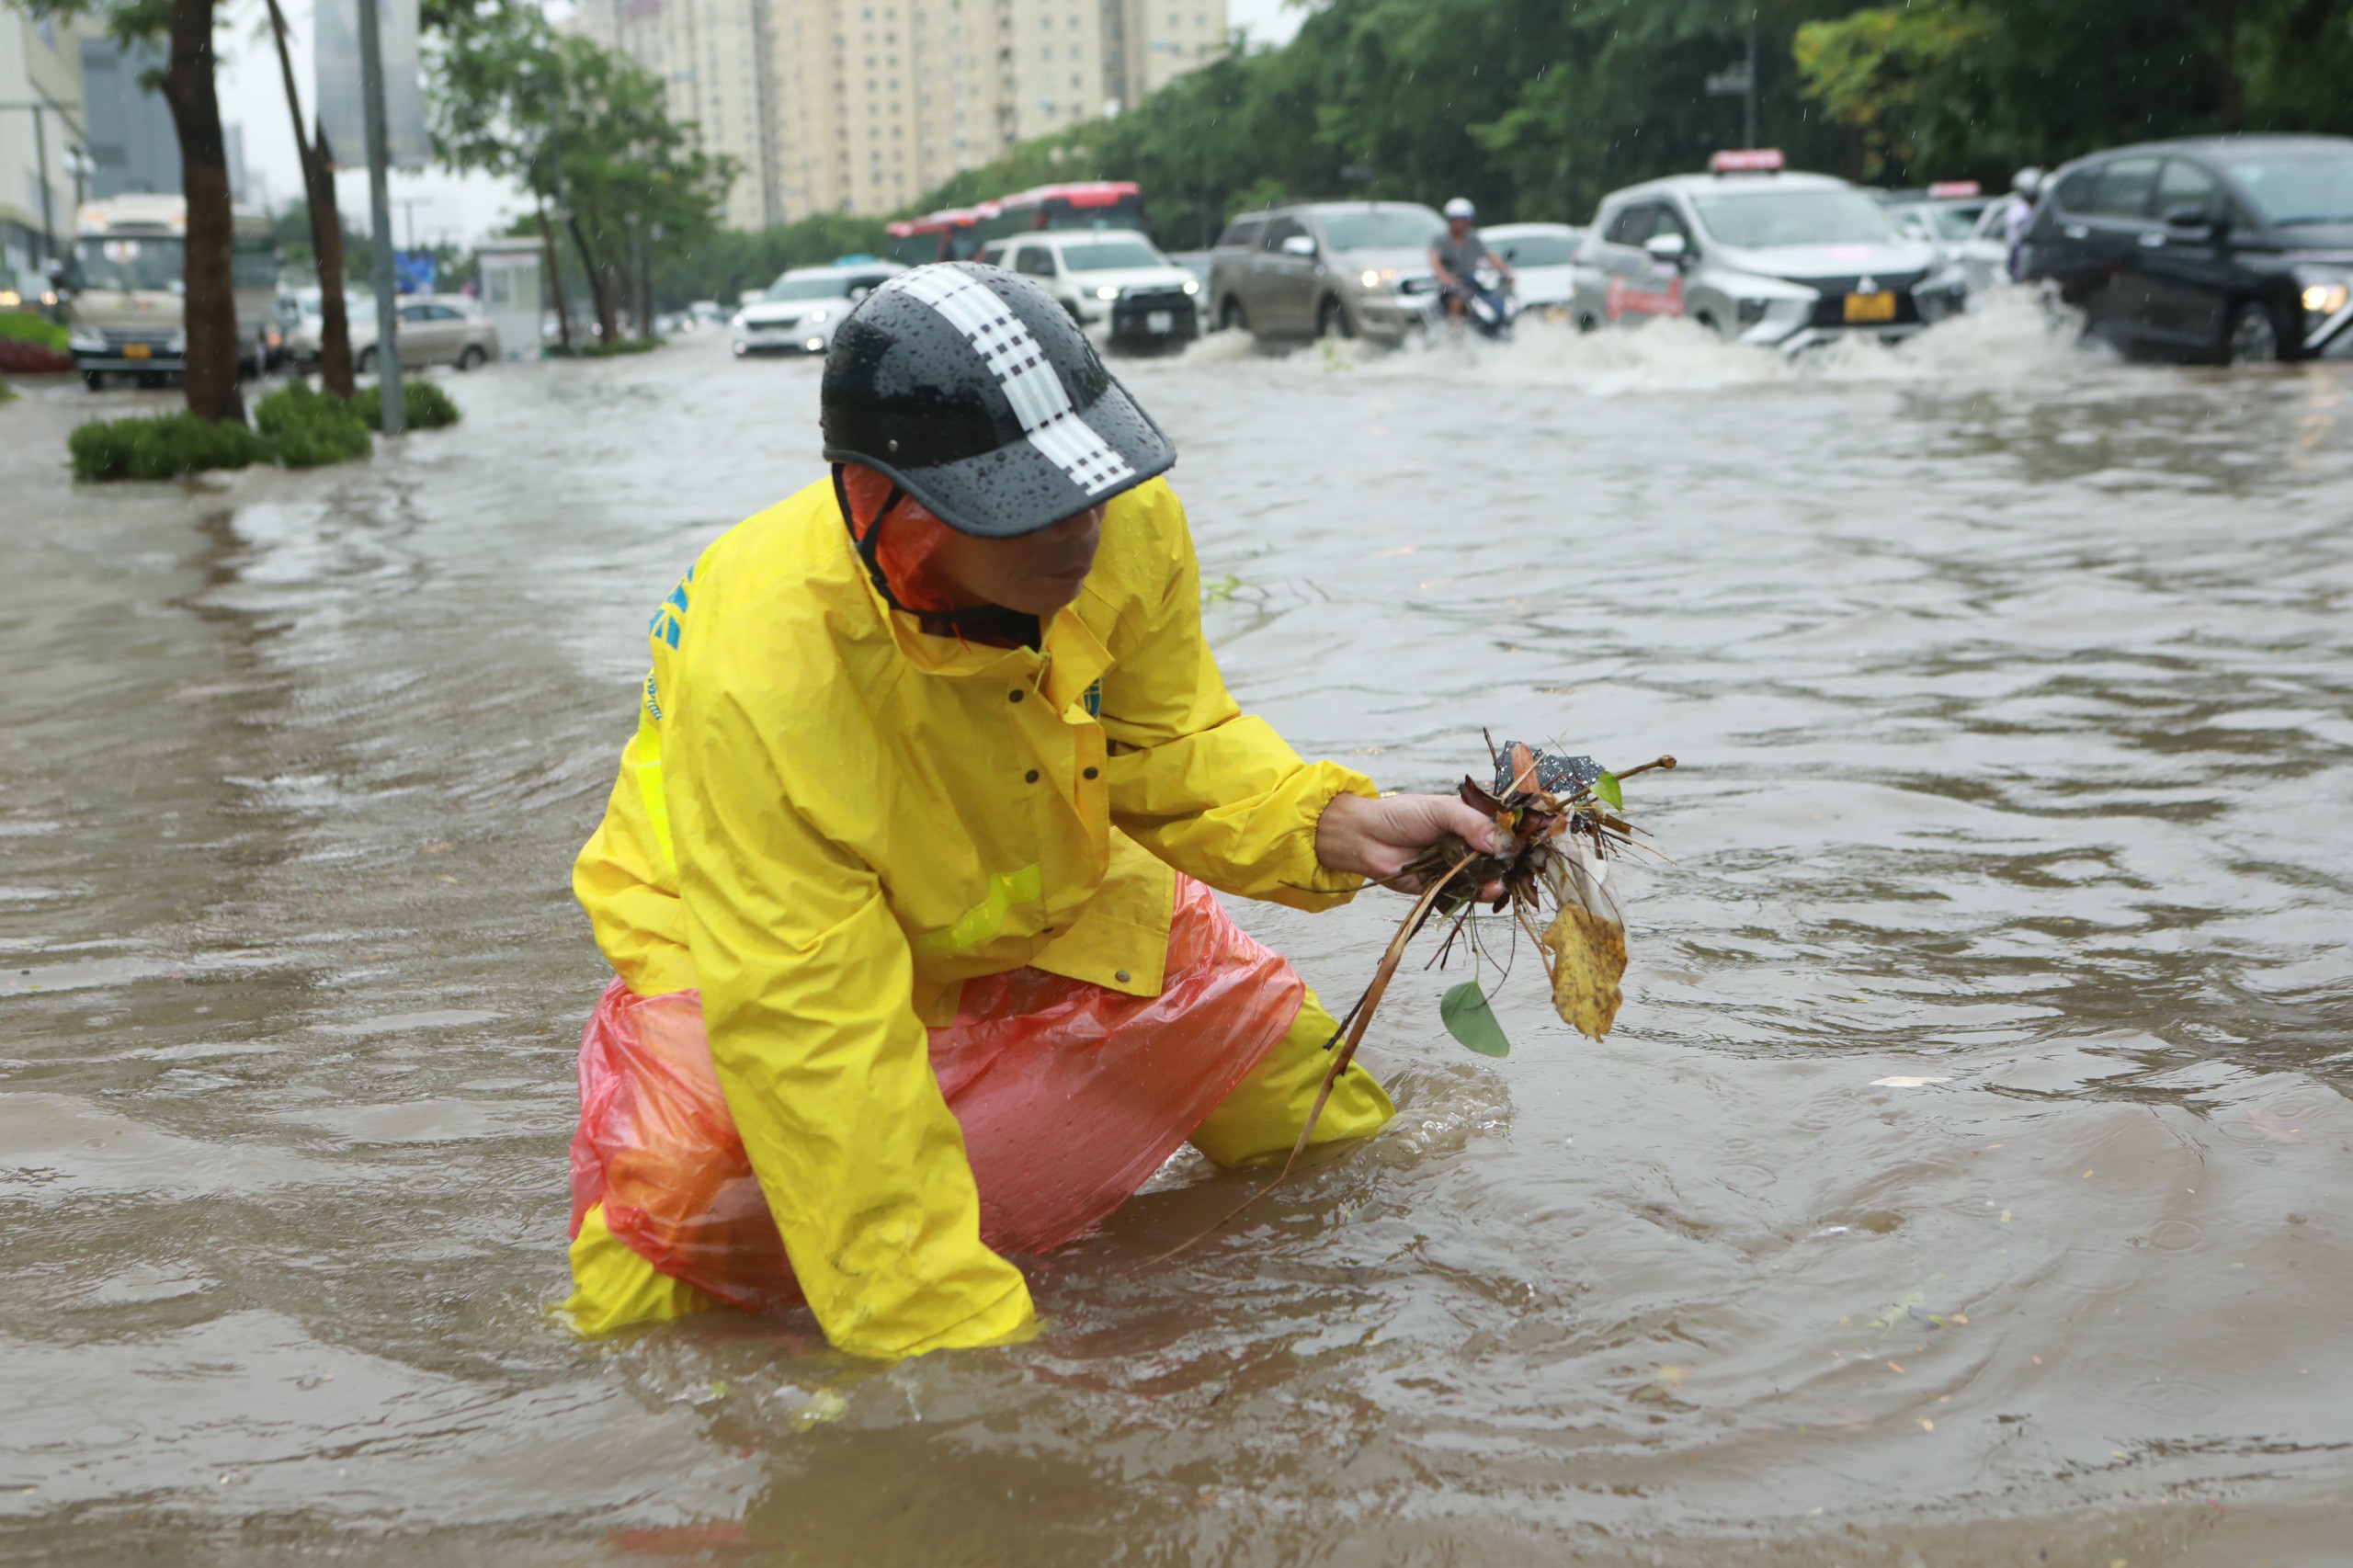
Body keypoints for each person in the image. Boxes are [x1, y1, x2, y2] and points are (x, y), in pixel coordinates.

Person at [561, 261, 1502, 1359]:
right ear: (891, 515)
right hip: (749, 909)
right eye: (1024, 507)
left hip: (1029, 844)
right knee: (676, 1236)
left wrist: (1328, 825)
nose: (1077, 533)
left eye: (1091, 487)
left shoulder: (1125, 520)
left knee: (1306, 1107)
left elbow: (1165, 739)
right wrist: (982, 1395)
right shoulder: (766, 670)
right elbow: (827, 1058)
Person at [1430, 197, 1513, 322]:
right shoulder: (1440, 241)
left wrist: (1505, 272)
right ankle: (1454, 329)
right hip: (1450, 286)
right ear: (1451, 221)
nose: (1463, 224)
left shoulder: (1473, 238)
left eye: (1466, 220)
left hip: (1472, 282)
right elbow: (1435, 263)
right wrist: (1445, 278)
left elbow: (1490, 256)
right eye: (1459, 220)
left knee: (1494, 296)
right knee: (1458, 300)